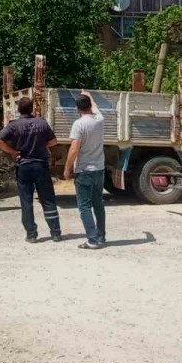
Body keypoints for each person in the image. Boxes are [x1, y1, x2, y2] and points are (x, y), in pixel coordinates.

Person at [0, 96, 62, 243]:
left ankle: (31, 234)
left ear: (18, 109)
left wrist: (13, 152)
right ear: (31, 109)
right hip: (41, 166)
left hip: (24, 166)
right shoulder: (41, 122)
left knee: (26, 201)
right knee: (48, 200)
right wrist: (42, 145)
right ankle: (55, 233)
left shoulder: (14, 125)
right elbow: (53, 141)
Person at [64, 90, 106, 249]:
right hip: (99, 168)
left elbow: (74, 149)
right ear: (89, 106)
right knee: (98, 204)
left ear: (77, 108)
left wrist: (67, 168)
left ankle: (92, 240)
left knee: (84, 206)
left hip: (84, 170)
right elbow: (95, 108)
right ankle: (100, 236)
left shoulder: (79, 124)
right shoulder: (99, 120)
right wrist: (89, 95)